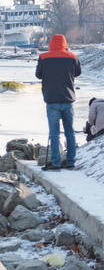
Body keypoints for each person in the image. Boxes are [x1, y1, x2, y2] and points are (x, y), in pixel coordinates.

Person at [35, 34, 81, 170]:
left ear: (51, 44)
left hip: (52, 100)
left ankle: (56, 163)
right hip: (68, 99)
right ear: (65, 44)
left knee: (54, 133)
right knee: (69, 132)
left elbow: (38, 75)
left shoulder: (43, 57)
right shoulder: (72, 57)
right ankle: (70, 162)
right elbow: (77, 72)